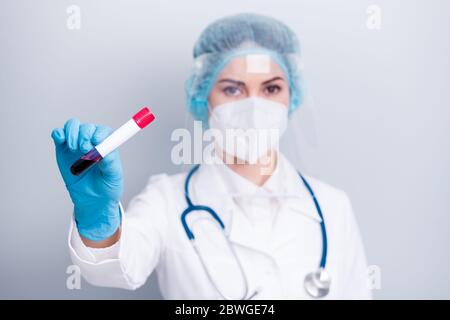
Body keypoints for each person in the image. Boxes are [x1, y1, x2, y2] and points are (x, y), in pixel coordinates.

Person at [51, 13, 371, 299]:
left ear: (292, 96)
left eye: (271, 89)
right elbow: (115, 269)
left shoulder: (333, 206)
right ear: (203, 97)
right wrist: (97, 218)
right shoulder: (166, 201)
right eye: (233, 89)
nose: (254, 106)